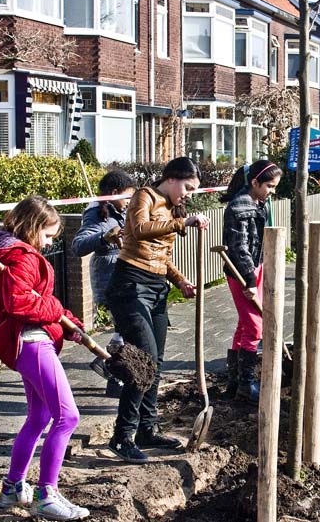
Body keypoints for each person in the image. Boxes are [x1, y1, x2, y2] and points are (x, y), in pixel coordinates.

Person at [0, 196, 89, 520]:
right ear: (33, 227)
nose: (50, 242)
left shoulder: (10, 253)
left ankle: (12, 488)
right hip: (31, 340)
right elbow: (22, 304)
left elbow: (40, 299)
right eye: (49, 235)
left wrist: (72, 326)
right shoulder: (23, 257)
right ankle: (46, 495)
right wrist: (57, 311)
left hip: (27, 340)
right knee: (68, 417)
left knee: (39, 418)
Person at [105, 157, 209, 464]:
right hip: (129, 286)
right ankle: (122, 437)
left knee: (157, 363)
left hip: (157, 287)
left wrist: (180, 281)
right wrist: (182, 223)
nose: (189, 194)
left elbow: (161, 255)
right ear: (173, 178)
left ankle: (146, 429)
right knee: (143, 361)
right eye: (188, 187)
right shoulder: (145, 196)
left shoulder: (174, 207)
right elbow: (137, 230)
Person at [219, 160, 282, 403]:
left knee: (245, 325)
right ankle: (246, 383)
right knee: (256, 326)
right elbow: (239, 248)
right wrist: (250, 281)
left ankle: (234, 381)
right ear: (254, 182)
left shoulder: (259, 203)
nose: (272, 191)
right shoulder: (239, 207)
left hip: (255, 269)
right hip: (241, 273)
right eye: (269, 186)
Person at [72, 170, 136, 397]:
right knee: (127, 329)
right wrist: (103, 237)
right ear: (114, 193)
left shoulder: (119, 210)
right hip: (109, 278)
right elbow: (78, 245)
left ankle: (109, 366)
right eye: (127, 197)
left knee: (125, 329)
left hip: (123, 276)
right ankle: (114, 373)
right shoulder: (96, 214)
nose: (129, 202)